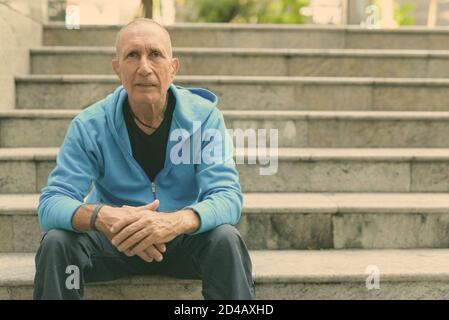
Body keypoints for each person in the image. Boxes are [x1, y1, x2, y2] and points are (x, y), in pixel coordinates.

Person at [33, 18, 255, 300]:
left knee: (226, 239)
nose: (144, 67)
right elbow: (52, 202)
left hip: (180, 244)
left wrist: (173, 223)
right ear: (118, 69)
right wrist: (105, 217)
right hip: (112, 244)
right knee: (57, 242)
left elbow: (227, 196)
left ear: (173, 68)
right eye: (132, 55)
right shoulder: (90, 125)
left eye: (155, 54)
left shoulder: (204, 118)